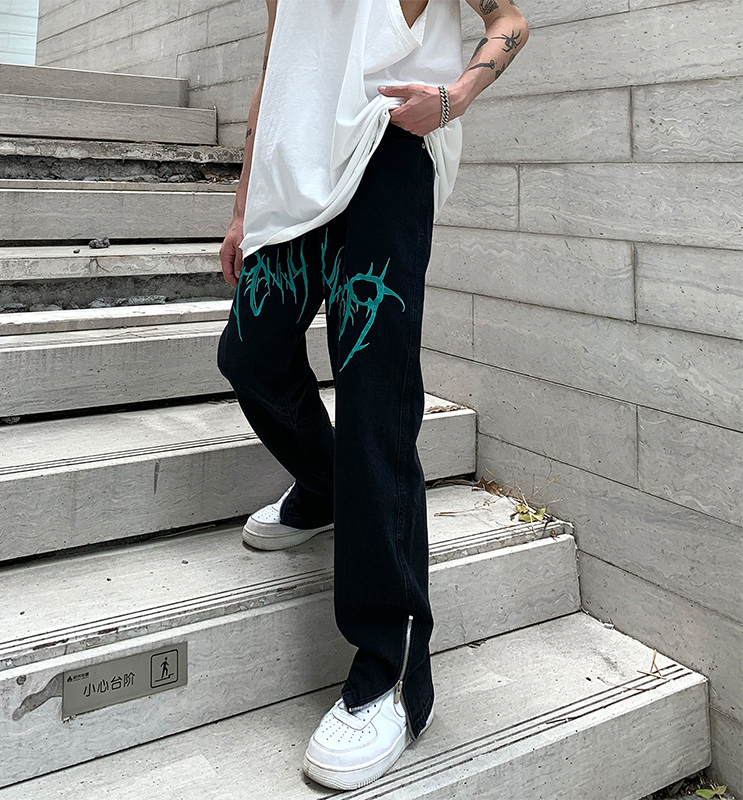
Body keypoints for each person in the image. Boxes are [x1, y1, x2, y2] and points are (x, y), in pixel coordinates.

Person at [216, 0, 529, 789]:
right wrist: (243, 206)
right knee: (249, 357)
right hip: (294, 175)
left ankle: (390, 671)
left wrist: (452, 98)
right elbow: (277, 68)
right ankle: (326, 489)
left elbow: (509, 19)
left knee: (373, 400)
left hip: (384, 153)